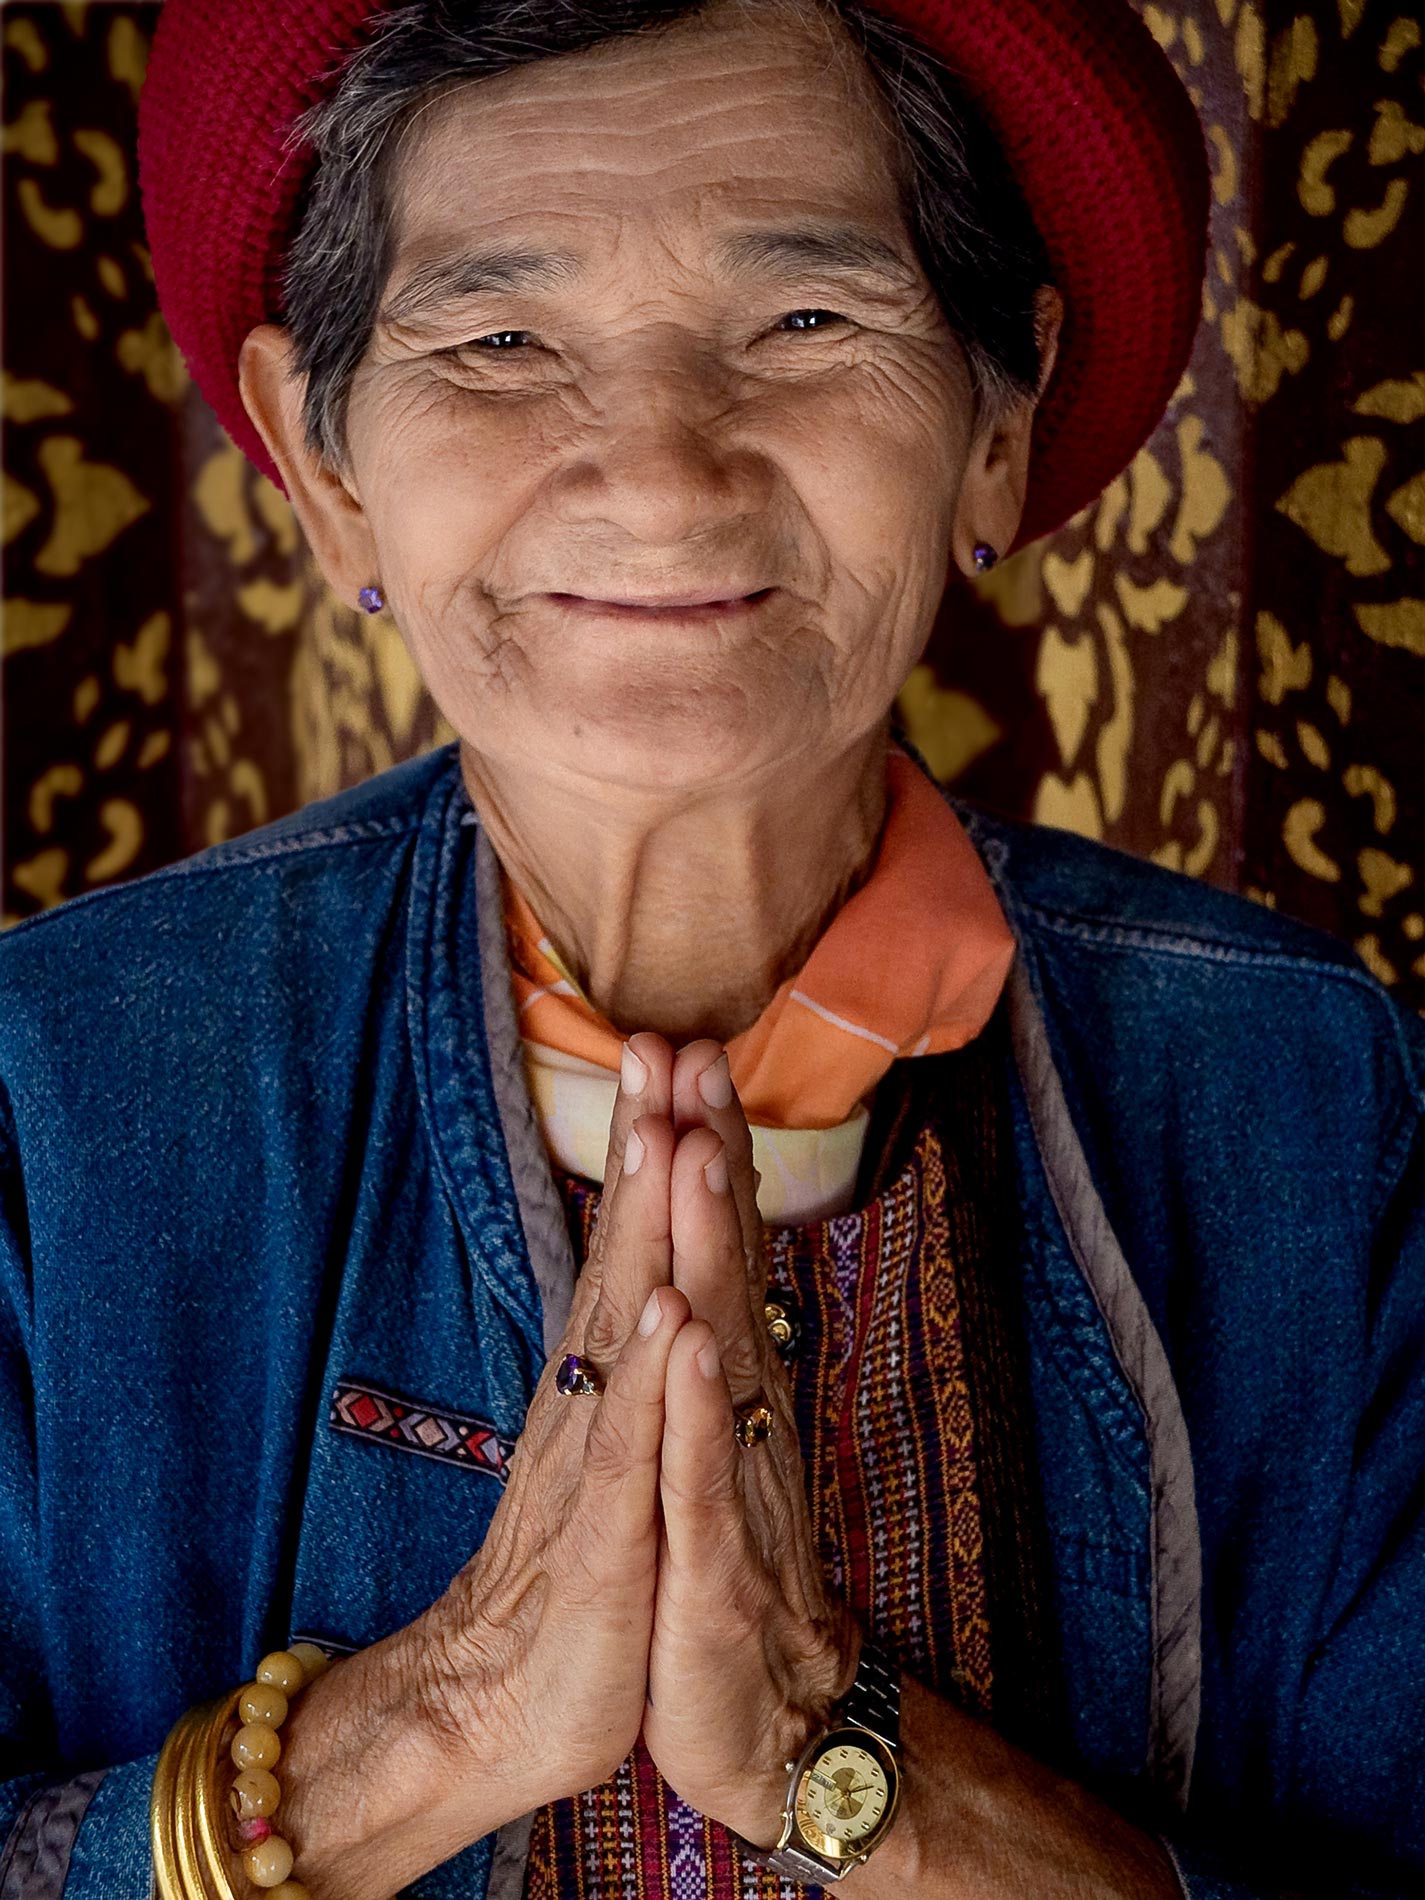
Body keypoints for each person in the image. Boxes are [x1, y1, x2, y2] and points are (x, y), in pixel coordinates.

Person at [1, 0, 1421, 1896]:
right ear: (326, 463)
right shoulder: (53, 1091)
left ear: (995, 428)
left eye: (805, 322)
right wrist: (452, 1720)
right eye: (501, 339)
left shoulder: (1316, 1108)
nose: (662, 474)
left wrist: (849, 1762)